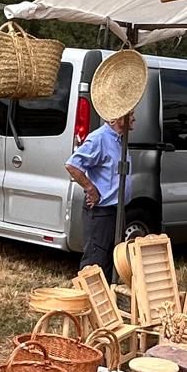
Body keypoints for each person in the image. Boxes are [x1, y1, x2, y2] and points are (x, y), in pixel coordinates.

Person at [64, 110, 132, 281]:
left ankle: (107, 302)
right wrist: (90, 188)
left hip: (117, 210)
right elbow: (73, 165)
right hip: (101, 212)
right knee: (96, 262)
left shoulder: (120, 140)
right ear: (116, 118)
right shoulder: (99, 138)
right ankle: (88, 302)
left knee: (113, 259)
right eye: (130, 114)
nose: (134, 118)